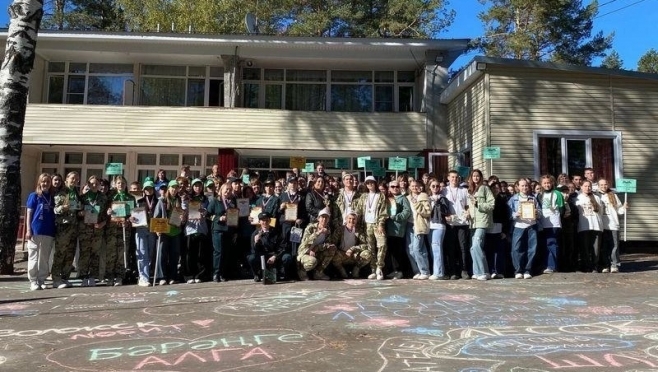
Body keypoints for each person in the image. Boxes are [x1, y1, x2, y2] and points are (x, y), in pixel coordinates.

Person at [153, 180, 187, 285]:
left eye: (176, 188)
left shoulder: (179, 201)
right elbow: (156, 216)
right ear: (169, 188)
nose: (174, 190)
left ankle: (172, 276)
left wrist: (183, 218)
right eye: (172, 188)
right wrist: (157, 230)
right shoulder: (162, 201)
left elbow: (183, 217)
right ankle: (161, 277)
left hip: (176, 231)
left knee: (174, 255)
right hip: (164, 232)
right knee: (162, 255)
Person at [25, 173, 56, 290]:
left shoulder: (53, 197)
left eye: (48, 182)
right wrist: (28, 229)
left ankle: (41, 279)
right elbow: (29, 213)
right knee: (33, 256)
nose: (45, 184)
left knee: (44, 257)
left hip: (49, 230)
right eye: (43, 181)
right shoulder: (34, 196)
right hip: (35, 230)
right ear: (39, 182)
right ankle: (33, 280)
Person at [52, 171, 81, 289]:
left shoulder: (76, 193)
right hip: (63, 227)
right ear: (67, 180)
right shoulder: (61, 192)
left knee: (70, 254)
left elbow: (78, 208)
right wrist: (62, 208)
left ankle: (65, 277)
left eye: (76, 178)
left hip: (74, 227)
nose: (74, 180)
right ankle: (56, 278)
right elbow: (55, 209)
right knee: (60, 253)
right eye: (72, 178)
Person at [78, 175, 109, 287]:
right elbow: (77, 213)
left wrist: (103, 223)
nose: (94, 185)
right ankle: (83, 276)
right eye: (92, 183)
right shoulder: (83, 198)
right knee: (84, 253)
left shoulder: (104, 198)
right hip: (85, 229)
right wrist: (81, 214)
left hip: (97, 229)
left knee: (95, 254)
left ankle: (92, 276)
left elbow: (107, 214)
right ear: (88, 184)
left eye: (97, 183)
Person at [105, 175, 135, 286]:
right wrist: (108, 212)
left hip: (124, 228)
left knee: (122, 252)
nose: (120, 185)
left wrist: (129, 219)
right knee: (111, 252)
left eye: (122, 183)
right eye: (118, 183)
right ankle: (109, 276)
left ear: (126, 185)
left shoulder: (130, 198)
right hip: (112, 227)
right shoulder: (111, 197)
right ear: (115, 185)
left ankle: (119, 276)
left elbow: (133, 213)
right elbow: (105, 211)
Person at [508, 178, 540, 279]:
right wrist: (516, 214)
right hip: (518, 226)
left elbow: (540, 211)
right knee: (516, 249)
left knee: (532, 249)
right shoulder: (513, 199)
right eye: (522, 186)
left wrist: (537, 213)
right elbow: (508, 213)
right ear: (518, 187)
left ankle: (528, 270)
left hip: (531, 226)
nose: (524, 187)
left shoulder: (533, 198)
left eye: (526, 185)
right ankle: (518, 270)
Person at [466, 169, 495, 281]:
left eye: (478, 176)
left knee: (477, 246)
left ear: (481, 177)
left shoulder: (485, 188)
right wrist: (468, 213)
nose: (476, 178)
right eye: (474, 176)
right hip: (473, 222)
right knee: (473, 248)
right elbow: (470, 206)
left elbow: (491, 204)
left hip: (482, 221)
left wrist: (478, 203)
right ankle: (479, 271)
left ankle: (482, 271)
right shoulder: (471, 191)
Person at [442, 170, 471, 280]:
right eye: (452, 177)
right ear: (448, 178)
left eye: (456, 177)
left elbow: (468, 205)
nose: (454, 179)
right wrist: (445, 215)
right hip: (450, 223)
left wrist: (468, 212)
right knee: (451, 248)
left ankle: (464, 270)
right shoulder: (444, 191)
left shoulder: (464, 190)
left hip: (462, 223)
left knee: (463, 247)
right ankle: (453, 271)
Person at [249, 212, 294, 282]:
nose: (265, 222)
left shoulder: (276, 232)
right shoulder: (255, 234)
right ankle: (257, 275)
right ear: (259, 222)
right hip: (263, 256)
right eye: (263, 221)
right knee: (251, 258)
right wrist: (256, 242)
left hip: (275, 255)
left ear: (270, 221)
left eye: (267, 220)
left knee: (287, 257)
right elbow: (254, 251)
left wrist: (275, 256)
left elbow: (282, 247)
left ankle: (284, 274)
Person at [206, 183, 236, 282]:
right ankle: (216, 273)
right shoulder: (215, 201)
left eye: (230, 190)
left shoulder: (232, 202)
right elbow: (208, 215)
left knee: (226, 252)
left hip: (228, 230)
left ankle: (222, 273)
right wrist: (219, 218)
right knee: (218, 252)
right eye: (226, 189)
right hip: (218, 229)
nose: (228, 191)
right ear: (221, 190)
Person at [360, 176, 389, 280]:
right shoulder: (364, 196)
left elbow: (383, 211)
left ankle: (379, 268)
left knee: (382, 245)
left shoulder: (381, 195)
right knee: (370, 247)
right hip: (367, 225)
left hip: (377, 224)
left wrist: (381, 223)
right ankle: (373, 269)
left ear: (375, 183)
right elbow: (358, 210)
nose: (370, 184)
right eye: (367, 183)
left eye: (372, 182)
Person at [330, 211, 372, 278]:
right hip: (342, 254)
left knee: (367, 254)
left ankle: (356, 269)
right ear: (346, 219)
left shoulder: (359, 231)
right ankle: (342, 271)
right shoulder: (340, 230)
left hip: (354, 255)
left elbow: (365, 245)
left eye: (354, 219)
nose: (351, 221)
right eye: (349, 218)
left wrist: (353, 249)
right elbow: (332, 243)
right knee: (332, 253)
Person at [597, 178, 627, 273]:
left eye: (605, 184)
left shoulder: (613, 195)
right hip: (602, 225)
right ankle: (605, 264)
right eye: (601, 185)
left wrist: (624, 208)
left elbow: (618, 210)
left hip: (613, 224)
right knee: (604, 246)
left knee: (614, 245)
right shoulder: (596, 196)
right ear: (598, 186)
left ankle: (614, 264)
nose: (603, 186)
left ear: (608, 185)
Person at [297, 208, 336, 280]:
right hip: (305, 251)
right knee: (312, 261)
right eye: (322, 217)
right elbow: (306, 242)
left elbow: (327, 243)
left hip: (317, 252)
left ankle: (318, 272)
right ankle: (302, 271)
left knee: (331, 250)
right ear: (318, 218)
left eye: (326, 217)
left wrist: (317, 248)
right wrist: (319, 232)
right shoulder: (310, 227)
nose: (324, 219)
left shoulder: (328, 229)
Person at [183, 178, 210, 283]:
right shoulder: (188, 198)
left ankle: (199, 275)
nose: (197, 188)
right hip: (190, 228)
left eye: (199, 186)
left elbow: (207, 211)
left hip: (202, 228)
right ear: (192, 187)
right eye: (195, 186)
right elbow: (183, 210)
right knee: (189, 254)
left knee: (200, 254)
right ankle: (189, 276)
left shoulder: (205, 199)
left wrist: (204, 212)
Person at [537, 175, 565, 274]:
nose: (547, 185)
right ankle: (545, 264)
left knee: (551, 243)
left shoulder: (557, 193)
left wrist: (556, 217)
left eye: (548, 182)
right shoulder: (539, 195)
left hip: (553, 223)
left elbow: (562, 209)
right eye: (544, 183)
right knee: (543, 245)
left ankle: (552, 266)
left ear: (552, 183)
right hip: (542, 223)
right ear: (541, 184)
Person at [385, 180, 412, 279]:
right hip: (388, 228)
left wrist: (396, 217)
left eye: (397, 186)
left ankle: (399, 270)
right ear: (389, 188)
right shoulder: (387, 198)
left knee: (398, 250)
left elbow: (407, 211)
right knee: (391, 250)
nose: (395, 188)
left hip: (398, 228)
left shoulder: (403, 198)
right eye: (392, 186)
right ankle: (393, 270)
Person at [576, 180, 604, 272]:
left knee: (595, 248)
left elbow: (601, 212)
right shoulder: (577, 198)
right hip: (584, 226)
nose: (587, 188)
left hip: (596, 226)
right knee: (585, 248)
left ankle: (594, 266)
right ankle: (586, 266)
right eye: (585, 186)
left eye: (589, 186)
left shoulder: (597, 198)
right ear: (581, 187)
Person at [406, 179, 431, 280]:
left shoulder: (423, 196)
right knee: (410, 250)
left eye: (416, 186)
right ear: (409, 187)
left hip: (419, 225)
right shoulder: (407, 198)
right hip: (409, 225)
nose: (414, 188)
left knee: (417, 249)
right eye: (412, 186)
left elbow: (427, 212)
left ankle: (425, 271)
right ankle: (417, 270)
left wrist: (417, 204)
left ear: (420, 186)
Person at [484, 181, 510, 279]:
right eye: (493, 188)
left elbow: (505, 217)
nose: (495, 190)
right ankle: (490, 270)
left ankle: (498, 270)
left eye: (497, 188)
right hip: (487, 227)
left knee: (498, 251)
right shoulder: (487, 200)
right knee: (489, 251)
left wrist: (505, 231)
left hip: (499, 228)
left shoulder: (502, 200)